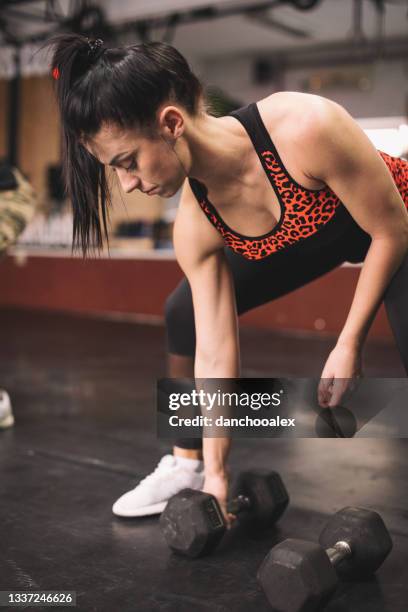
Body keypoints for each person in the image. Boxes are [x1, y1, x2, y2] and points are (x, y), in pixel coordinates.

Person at [49, 34, 408, 521]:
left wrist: (349, 342)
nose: (128, 183)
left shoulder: (305, 127)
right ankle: (189, 463)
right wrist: (219, 476)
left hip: (394, 222)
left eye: (128, 162)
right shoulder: (197, 226)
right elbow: (216, 357)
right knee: (183, 312)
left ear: (171, 123)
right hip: (305, 236)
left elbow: (390, 229)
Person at [0, 162, 37, 429]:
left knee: (177, 314)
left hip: (8, 192)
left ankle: (187, 456)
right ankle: (185, 454)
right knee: (177, 314)